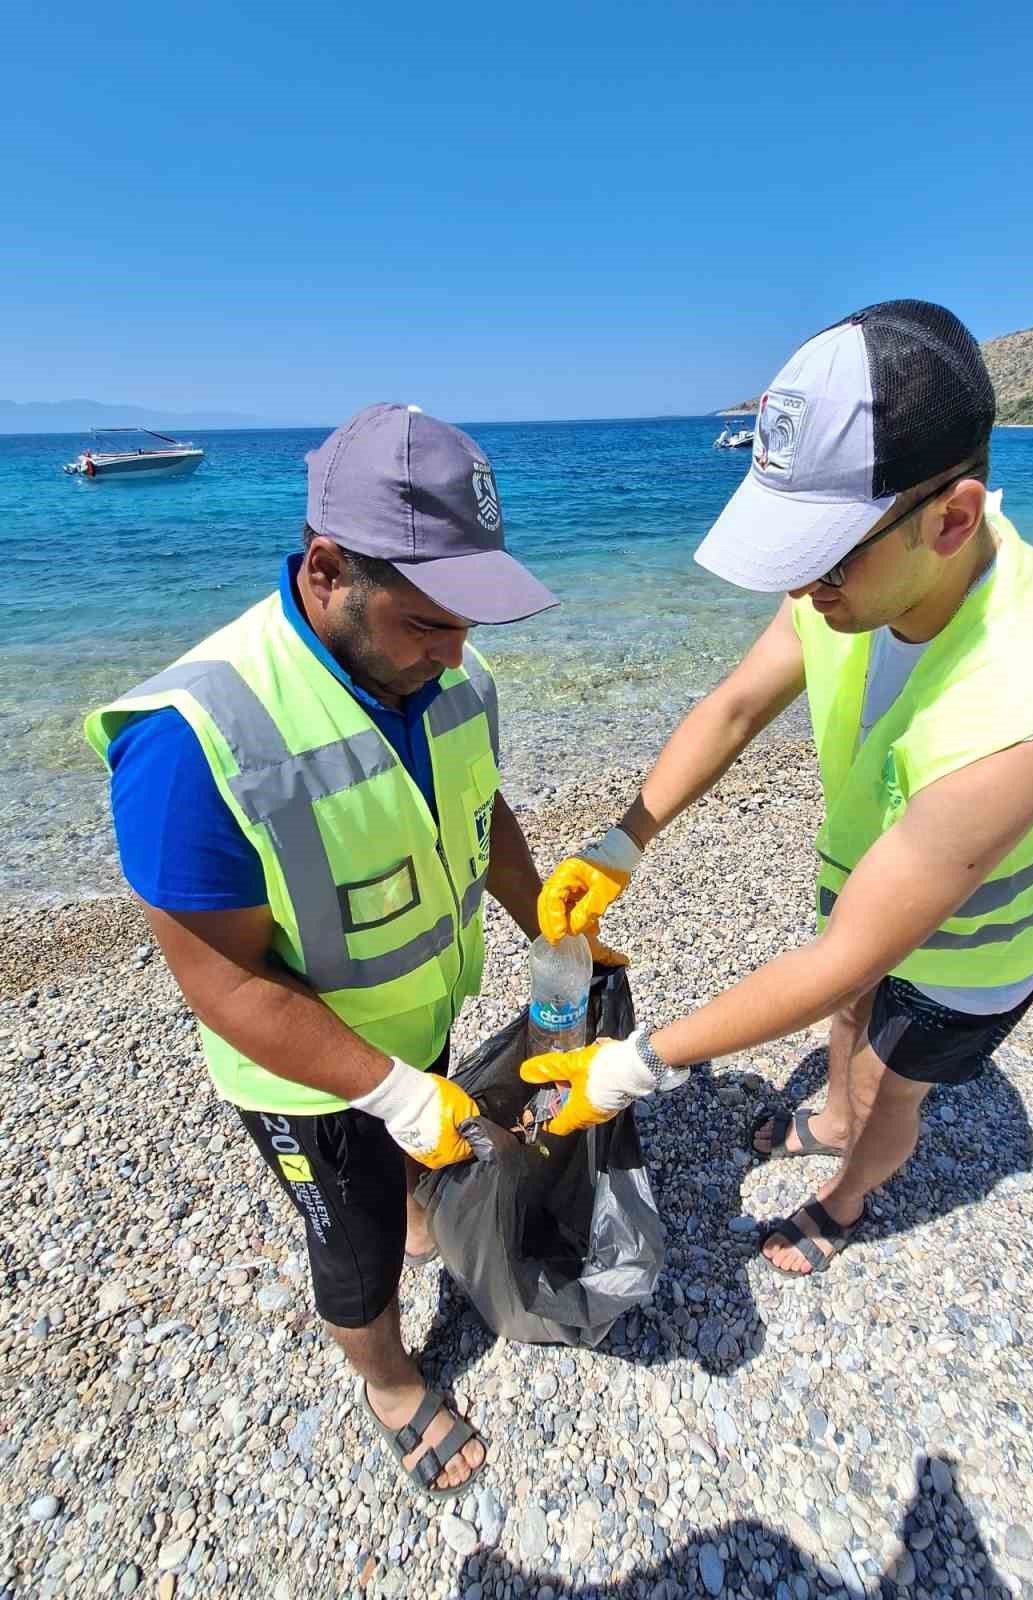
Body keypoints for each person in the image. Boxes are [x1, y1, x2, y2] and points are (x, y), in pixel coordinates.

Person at [527, 300, 1033, 1282]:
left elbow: (847, 953)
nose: (801, 590)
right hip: (881, 880)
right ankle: (828, 1115)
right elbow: (736, 708)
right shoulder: (865, 578)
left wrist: (631, 1065)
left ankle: (845, 1197)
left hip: (979, 945)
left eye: (823, 556)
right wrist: (622, 842)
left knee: (889, 1085)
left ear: (952, 515)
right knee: (847, 1020)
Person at [85, 404, 560, 1498]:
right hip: (303, 1076)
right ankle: (389, 1381)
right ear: (329, 567)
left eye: (469, 623)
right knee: (353, 1250)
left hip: (419, 1016)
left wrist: (550, 921)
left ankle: (402, 1193)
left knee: (405, 1172)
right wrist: (389, 1090)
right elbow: (221, 980)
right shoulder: (191, 744)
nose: (458, 654)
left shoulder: (452, 680)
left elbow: (478, 814)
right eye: (430, 624)